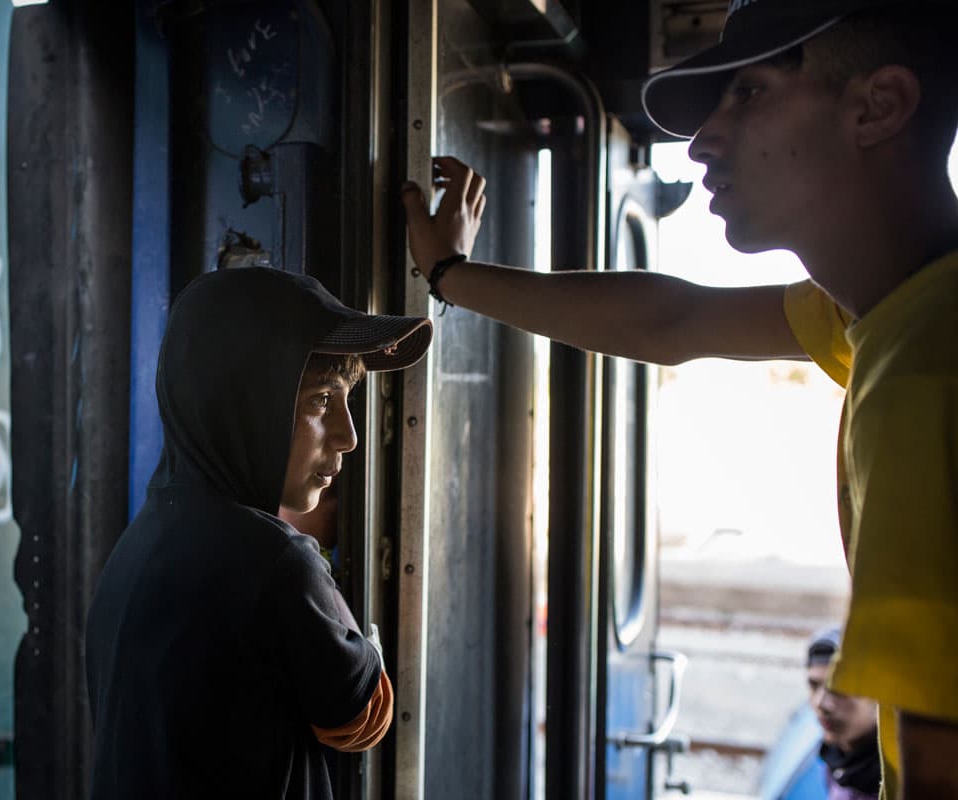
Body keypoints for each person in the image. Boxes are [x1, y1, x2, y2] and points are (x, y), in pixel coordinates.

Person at [401, 1, 958, 797]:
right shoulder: (895, 314)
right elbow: (675, 318)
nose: (702, 140)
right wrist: (451, 275)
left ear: (878, 107)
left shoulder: (926, 374)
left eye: (749, 94)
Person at [84, 266, 433, 799]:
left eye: (347, 400)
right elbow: (361, 715)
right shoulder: (275, 561)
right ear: (244, 408)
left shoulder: (137, 547)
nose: (349, 436)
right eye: (320, 401)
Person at [807, 627, 881, 799]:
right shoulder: (835, 759)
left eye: (838, 688)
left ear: (878, 695)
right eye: (813, 685)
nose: (821, 703)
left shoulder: (905, 779)